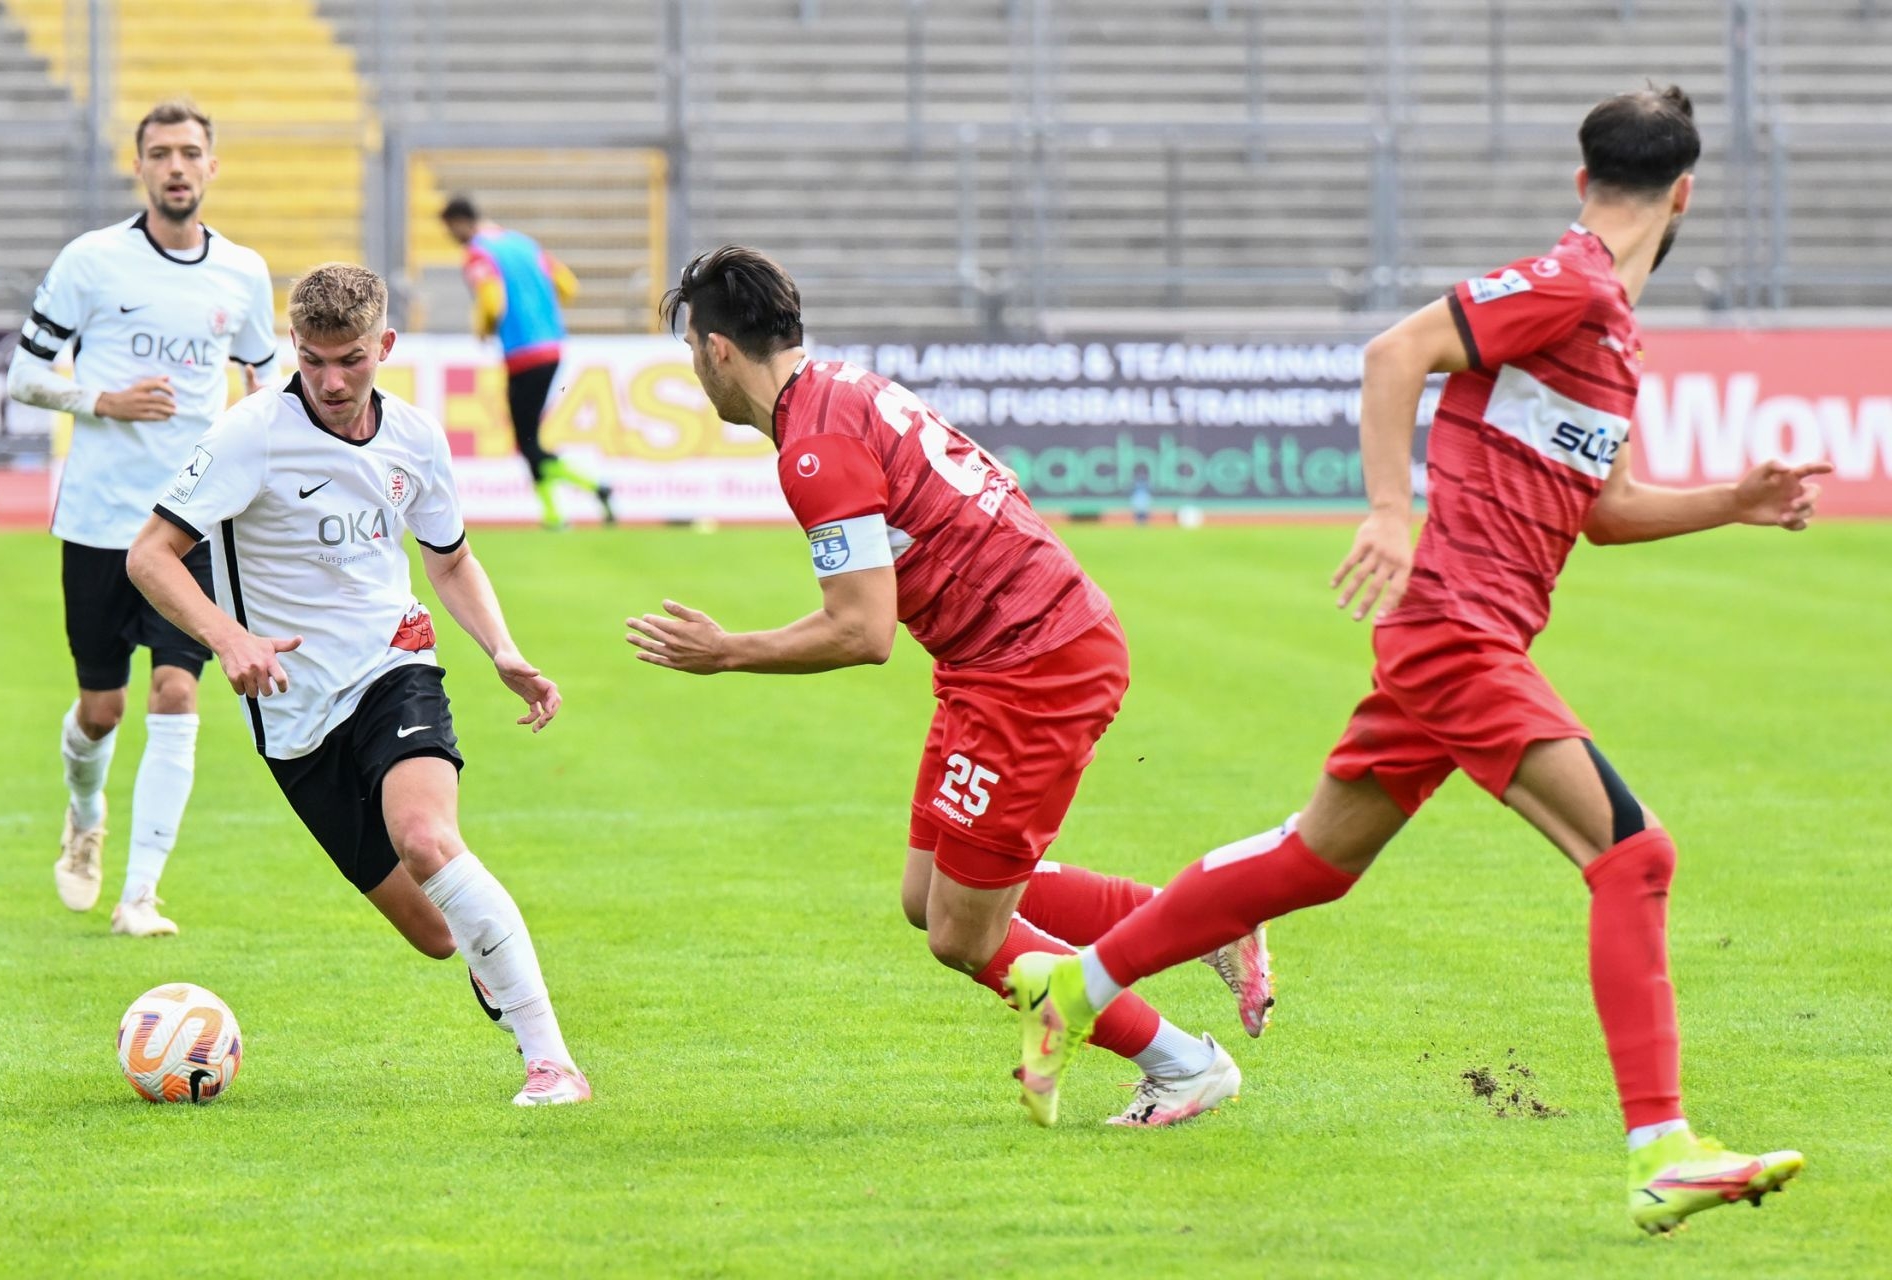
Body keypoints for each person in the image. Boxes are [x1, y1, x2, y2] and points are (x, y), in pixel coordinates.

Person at [1004, 85, 1825, 1231]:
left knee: (1311, 861)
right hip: (1457, 627)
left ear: (1587, 178)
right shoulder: (1570, 280)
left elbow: (1608, 507)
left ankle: (1074, 980)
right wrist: (1392, 511)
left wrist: (1731, 500)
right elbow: (1399, 350)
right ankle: (1663, 1146)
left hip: (1460, 635)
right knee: (1634, 855)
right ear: (1685, 194)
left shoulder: (1608, 335)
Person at [629, 246, 1269, 1127]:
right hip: (994, 660)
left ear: (715, 351)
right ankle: (1200, 920)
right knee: (927, 896)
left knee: (962, 936)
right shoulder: (843, 389)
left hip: (1032, 666)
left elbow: (863, 630)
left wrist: (728, 650)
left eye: (692, 358)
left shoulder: (814, 448)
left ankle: (1185, 1064)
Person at [125, 263, 590, 1106]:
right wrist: (229, 639)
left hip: (393, 665)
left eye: (350, 360)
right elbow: (149, 554)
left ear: (385, 346)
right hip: (293, 715)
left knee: (424, 837)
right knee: (441, 935)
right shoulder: (249, 434)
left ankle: (551, 1062)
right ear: (292, 351)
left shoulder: (414, 436)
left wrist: (502, 649)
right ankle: (493, 960)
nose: (332, 381)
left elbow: (449, 560)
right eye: (312, 362)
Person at [8, 99, 278, 937]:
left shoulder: (243, 273)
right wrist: (102, 398)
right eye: (161, 152)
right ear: (141, 167)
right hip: (97, 523)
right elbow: (22, 375)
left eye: (191, 152)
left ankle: (141, 894)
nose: (176, 166)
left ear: (212, 166)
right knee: (103, 709)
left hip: (189, 527)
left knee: (174, 692)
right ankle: (84, 819)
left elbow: (267, 384)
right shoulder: (92, 262)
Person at [439, 196, 613, 530]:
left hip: (523, 353)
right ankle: (553, 515)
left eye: (449, 228)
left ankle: (595, 486)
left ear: (459, 222)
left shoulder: (478, 253)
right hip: (552, 345)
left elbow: (492, 300)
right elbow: (567, 285)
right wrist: (542, 309)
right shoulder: (523, 243)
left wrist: (486, 327)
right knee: (530, 439)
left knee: (527, 442)